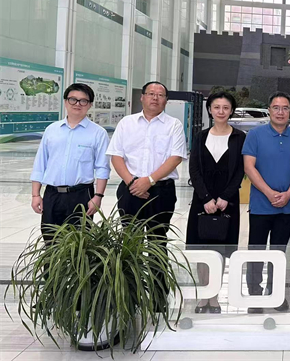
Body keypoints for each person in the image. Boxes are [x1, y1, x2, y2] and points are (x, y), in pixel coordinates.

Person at [106, 81, 187, 312]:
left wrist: (148, 181)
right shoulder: (127, 123)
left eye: (160, 95)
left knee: (157, 242)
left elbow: (175, 157)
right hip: (129, 189)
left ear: (166, 100)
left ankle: (158, 298)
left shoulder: (174, 125)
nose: (155, 98)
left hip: (161, 191)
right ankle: (129, 294)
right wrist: (133, 182)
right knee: (129, 241)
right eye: (151, 93)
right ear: (142, 97)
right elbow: (116, 156)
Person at [187, 91, 246, 314]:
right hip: (201, 201)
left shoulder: (240, 138)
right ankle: (204, 296)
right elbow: (194, 169)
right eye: (216, 107)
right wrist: (206, 198)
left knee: (219, 250)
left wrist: (224, 198)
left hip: (227, 202)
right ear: (210, 110)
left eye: (225, 107)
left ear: (231, 111)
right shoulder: (200, 136)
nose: (221, 111)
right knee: (201, 249)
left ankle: (215, 296)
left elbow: (240, 171)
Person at [243, 92, 290, 314]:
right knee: (256, 251)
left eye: (285, 108)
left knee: (279, 252)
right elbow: (249, 167)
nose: (280, 112)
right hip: (260, 204)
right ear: (269, 110)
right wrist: (269, 193)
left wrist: (289, 193)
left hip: (287, 205)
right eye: (276, 107)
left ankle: (275, 294)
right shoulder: (255, 135)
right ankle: (255, 295)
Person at [30, 83, 110, 241]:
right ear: (66, 102)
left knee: (79, 244)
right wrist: (35, 195)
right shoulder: (52, 130)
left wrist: (98, 196)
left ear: (90, 105)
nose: (77, 104)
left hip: (81, 195)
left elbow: (103, 167)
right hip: (52, 194)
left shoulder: (98, 133)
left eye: (83, 101)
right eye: (73, 99)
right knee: (50, 241)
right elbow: (40, 163)